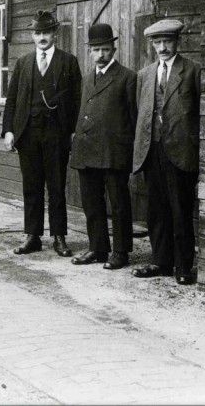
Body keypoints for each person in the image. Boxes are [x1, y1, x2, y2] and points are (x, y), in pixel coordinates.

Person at [2, 10, 82, 257]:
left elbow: (77, 100)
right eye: (37, 33)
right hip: (28, 134)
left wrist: (73, 131)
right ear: (32, 36)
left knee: (57, 186)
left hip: (57, 134)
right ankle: (32, 236)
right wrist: (8, 130)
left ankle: (59, 236)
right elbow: (12, 99)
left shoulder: (68, 61)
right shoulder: (23, 63)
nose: (42, 37)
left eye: (46, 32)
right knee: (31, 186)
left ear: (54, 34)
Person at [131, 19, 201, 285]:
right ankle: (161, 261)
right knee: (157, 210)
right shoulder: (144, 75)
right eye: (157, 43)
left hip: (181, 153)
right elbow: (141, 112)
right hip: (153, 151)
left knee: (180, 211)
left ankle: (183, 267)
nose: (162, 47)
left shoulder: (192, 71)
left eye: (167, 42)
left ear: (176, 42)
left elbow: (198, 114)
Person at [69, 23, 136, 270]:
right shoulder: (87, 79)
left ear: (114, 49)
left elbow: (133, 117)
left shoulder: (127, 77)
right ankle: (98, 248)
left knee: (118, 204)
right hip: (87, 149)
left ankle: (120, 251)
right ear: (89, 51)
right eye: (96, 50)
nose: (101, 55)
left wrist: (127, 150)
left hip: (113, 151)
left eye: (105, 49)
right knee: (91, 202)